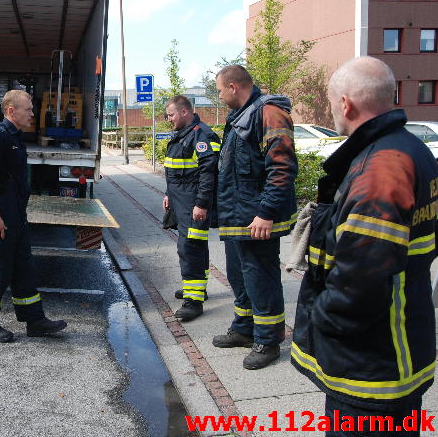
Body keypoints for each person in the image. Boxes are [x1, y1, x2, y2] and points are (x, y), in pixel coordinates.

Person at [291, 57, 436, 436]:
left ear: (346, 104)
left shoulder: (381, 169)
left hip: (371, 365)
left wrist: (322, 319)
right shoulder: (411, 150)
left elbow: (361, 280)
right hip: (398, 343)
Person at [212, 65, 298, 369]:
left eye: (220, 90)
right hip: (239, 214)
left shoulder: (269, 113)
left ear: (234, 86)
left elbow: (282, 167)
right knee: (239, 274)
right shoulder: (242, 114)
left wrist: (266, 212)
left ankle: (268, 340)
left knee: (261, 277)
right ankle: (245, 329)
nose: (219, 96)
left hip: (256, 216)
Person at [0, 89, 67, 342]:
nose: (33, 113)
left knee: (23, 268)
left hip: (16, 216)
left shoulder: (15, 137)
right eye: (28, 109)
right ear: (11, 111)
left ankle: (35, 321)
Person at [161, 95, 220, 321]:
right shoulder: (185, 135)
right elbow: (176, 170)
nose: (169, 120)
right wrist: (168, 194)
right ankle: (197, 289)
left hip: (193, 204)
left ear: (184, 112)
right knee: (195, 247)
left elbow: (209, 173)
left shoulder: (202, 136)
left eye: (171, 115)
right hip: (182, 202)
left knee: (190, 248)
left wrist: (202, 204)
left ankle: (193, 302)